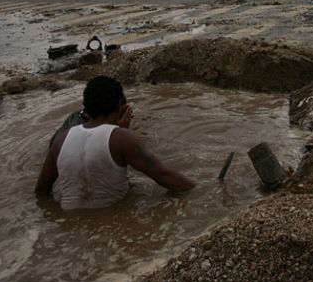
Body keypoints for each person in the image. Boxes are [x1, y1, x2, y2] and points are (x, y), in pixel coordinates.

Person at [35, 76, 196, 210]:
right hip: (114, 214)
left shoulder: (60, 140)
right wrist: (203, 190)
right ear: (121, 105)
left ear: (86, 107)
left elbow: (41, 192)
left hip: (69, 223)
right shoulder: (122, 139)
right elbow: (164, 176)